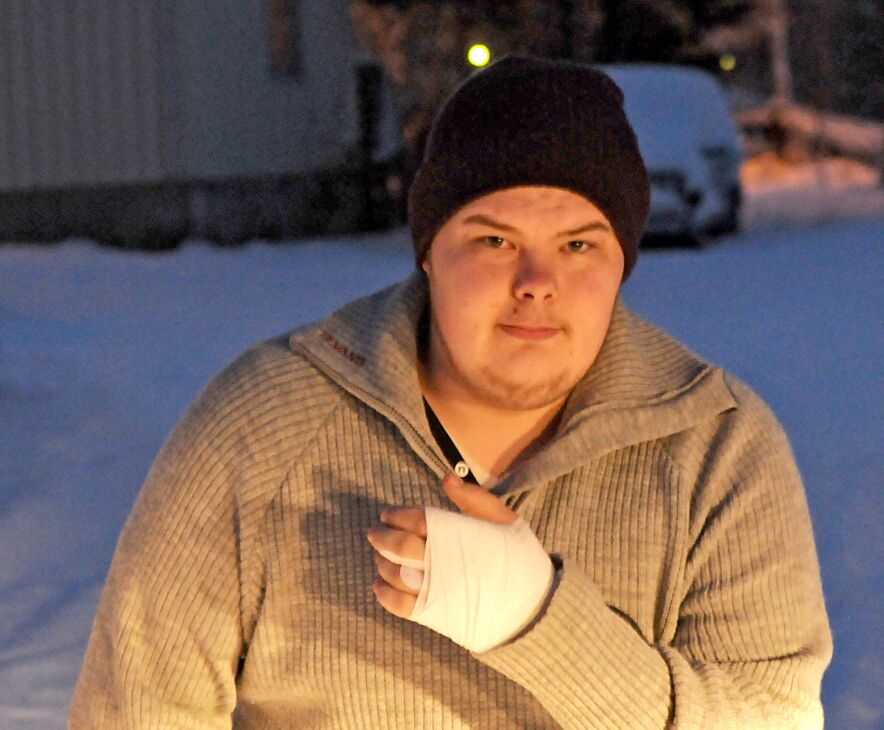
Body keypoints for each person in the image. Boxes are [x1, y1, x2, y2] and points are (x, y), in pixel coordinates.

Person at [70, 55, 832, 728]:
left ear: (621, 263)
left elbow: (771, 715)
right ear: (430, 252)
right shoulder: (262, 424)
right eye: (494, 240)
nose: (538, 285)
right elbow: (137, 709)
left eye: (578, 245)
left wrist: (540, 622)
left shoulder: (718, 450)